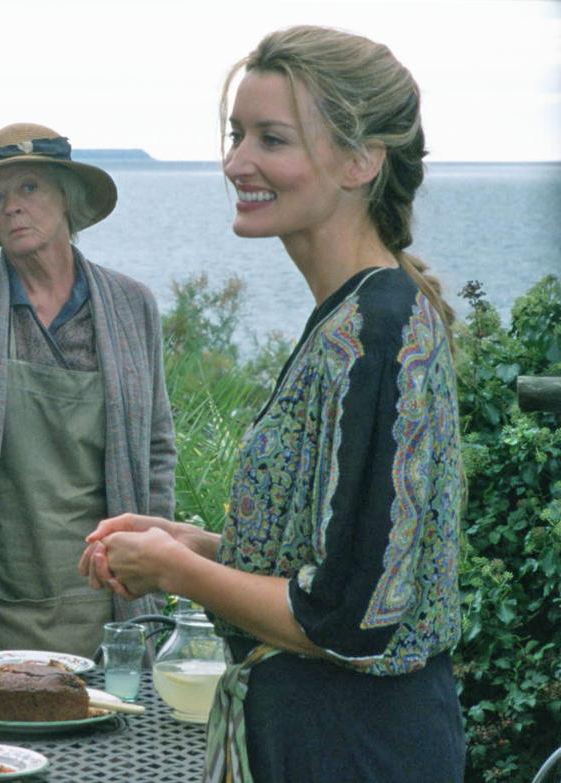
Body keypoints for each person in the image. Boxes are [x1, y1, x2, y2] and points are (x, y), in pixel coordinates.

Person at [81, 26, 465, 782]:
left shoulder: (380, 332)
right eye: (236, 135)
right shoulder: (349, 319)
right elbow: (332, 564)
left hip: (357, 750)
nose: (236, 163)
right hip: (317, 740)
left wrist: (176, 571)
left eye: (272, 139)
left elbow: (351, 621)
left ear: (361, 161)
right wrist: (192, 543)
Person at [0, 122, 177, 664]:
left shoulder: (130, 305)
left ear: (68, 199)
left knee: (110, 738)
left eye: (29, 188)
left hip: (104, 595)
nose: (12, 207)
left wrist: (153, 554)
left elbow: (156, 447)